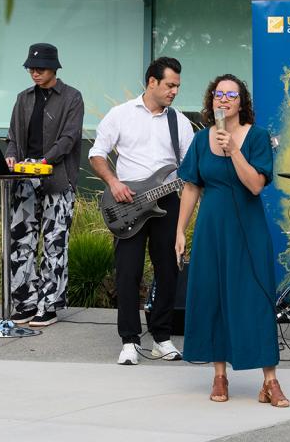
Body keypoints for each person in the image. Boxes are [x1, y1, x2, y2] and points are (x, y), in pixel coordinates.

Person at [173, 74, 287, 407]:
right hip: (211, 228)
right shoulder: (199, 140)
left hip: (247, 230)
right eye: (218, 94)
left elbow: (254, 185)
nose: (224, 100)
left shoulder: (258, 137)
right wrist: (180, 230)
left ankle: (270, 381)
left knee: (254, 300)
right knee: (213, 297)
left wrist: (234, 149)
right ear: (211, 101)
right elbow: (192, 187)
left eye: (231, 95)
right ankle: (219, 375)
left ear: (241, 102)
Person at [89, 57, 193, 365]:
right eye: (170, 85)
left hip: (168, 202)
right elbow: (97, 154)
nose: (174, 91)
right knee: (128, 273)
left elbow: (189, 169)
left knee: (168, 270)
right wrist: (114, 182)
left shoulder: (179, 122)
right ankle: (129, 342)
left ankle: (162, 338)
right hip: (126, 203)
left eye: (177, 86)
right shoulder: (120, 115)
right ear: (152, 82)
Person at [3, 42, 85, 327]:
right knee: (21, 242)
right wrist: (13, 157)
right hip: (24, 179)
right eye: (31, 68)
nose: (35, 73)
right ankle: (25, 302)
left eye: (40, 68)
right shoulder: (23, 98)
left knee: (54, 243)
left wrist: (43, 162)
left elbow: (69, 139)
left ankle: (48, 304)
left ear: (54, 69)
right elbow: (13, 136)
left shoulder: (72, 98)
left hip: (58, 180)